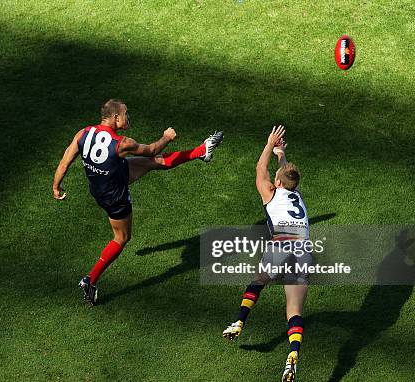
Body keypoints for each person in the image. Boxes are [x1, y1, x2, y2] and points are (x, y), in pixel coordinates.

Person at [52, 99, 223, 305]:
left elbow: (64, 161)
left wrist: (56, 186)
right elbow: (151, 148)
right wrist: (166, 137)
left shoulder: (83, 133)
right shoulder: (122, 144)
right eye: (125, 114)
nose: (128, 117)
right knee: (121, 238)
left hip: (101, 184)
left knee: (155, 162)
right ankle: (90, 279)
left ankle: (202, 150)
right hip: (115, 194)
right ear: (116, 118)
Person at [222, 125, 309, 382]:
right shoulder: (298, 195)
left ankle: (239, 321)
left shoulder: (270, 194)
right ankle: (292, 355)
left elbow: (260, 170)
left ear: (278, 183)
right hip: (303, 253)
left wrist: (270, 144)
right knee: (293, 310)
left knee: (258, 281)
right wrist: (281, 155)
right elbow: (287, 176)